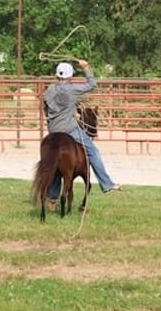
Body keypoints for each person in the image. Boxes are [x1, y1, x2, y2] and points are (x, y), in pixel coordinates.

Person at [43, 59, 121, 211]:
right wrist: (86, 68)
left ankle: (52, 196)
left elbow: (45, 110)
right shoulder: (72, 89)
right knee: (92, 151)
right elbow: (92, 84)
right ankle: (106, 183)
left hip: (53, 131)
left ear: (57, 76)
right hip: (69, 129)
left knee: (55, 164)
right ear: (70, 76)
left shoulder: (49, 90)